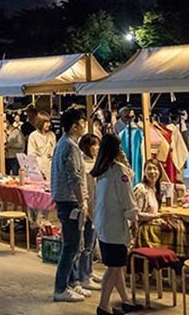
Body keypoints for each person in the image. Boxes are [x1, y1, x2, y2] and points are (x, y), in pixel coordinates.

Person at [92, 133, 139, 315]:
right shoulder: (118, 170)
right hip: (115, 226)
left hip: (103, 225)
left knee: (116, 266)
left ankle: (125, 300)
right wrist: (133, 219)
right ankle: (103, 306)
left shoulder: (101, 170)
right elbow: (127, 198)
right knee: (114, 268)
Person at [50, 108, 89, 303]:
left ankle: (73, 283)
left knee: (74, 244)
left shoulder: (63, 143)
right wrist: (82, 202)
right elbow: (74, 178)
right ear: (75, 125)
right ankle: (60, 288)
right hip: (70, 201)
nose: (85, 125)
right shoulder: (71, 147)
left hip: (64, 199)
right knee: (71, 246)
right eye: (83, 121)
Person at [71, 133, 101, 292]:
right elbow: (83, 188)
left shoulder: (98, 163)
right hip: (87, 209)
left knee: (91, 243)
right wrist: (86, 207)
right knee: (84, 245)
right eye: (93, 145)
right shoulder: (83, 165)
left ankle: (88, 272)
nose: (96, 148)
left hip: (97, 208)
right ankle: (81, 278)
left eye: (97, 145)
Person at [28, 112, 56, 182]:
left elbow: (55, 150)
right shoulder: (33, 136)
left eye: (49, 122)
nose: (48, 125)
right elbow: (31, 155)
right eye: (46, 122)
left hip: (51, 168)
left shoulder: (52, 135)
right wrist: (37, 169)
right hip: (39, 169)